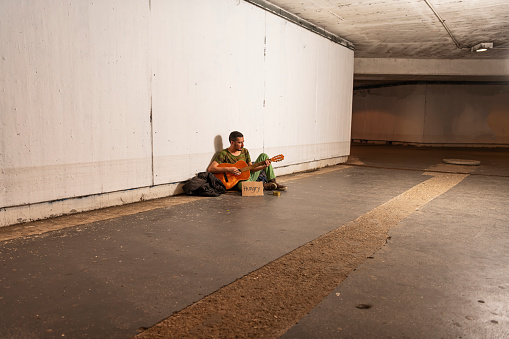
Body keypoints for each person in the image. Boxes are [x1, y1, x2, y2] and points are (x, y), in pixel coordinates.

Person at [207, 131, 287, 191]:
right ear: (232, 143)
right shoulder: (224, 153)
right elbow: (211, 169)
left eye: (243, 142)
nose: (243, 145)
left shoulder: (245, 151)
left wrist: (263, 166)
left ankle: (273, 182)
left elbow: (251, 168)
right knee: (243, 186)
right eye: (240, 143)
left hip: (249, 176)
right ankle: (265, 186)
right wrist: (229, 169)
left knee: (264, 156)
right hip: (237, 182)